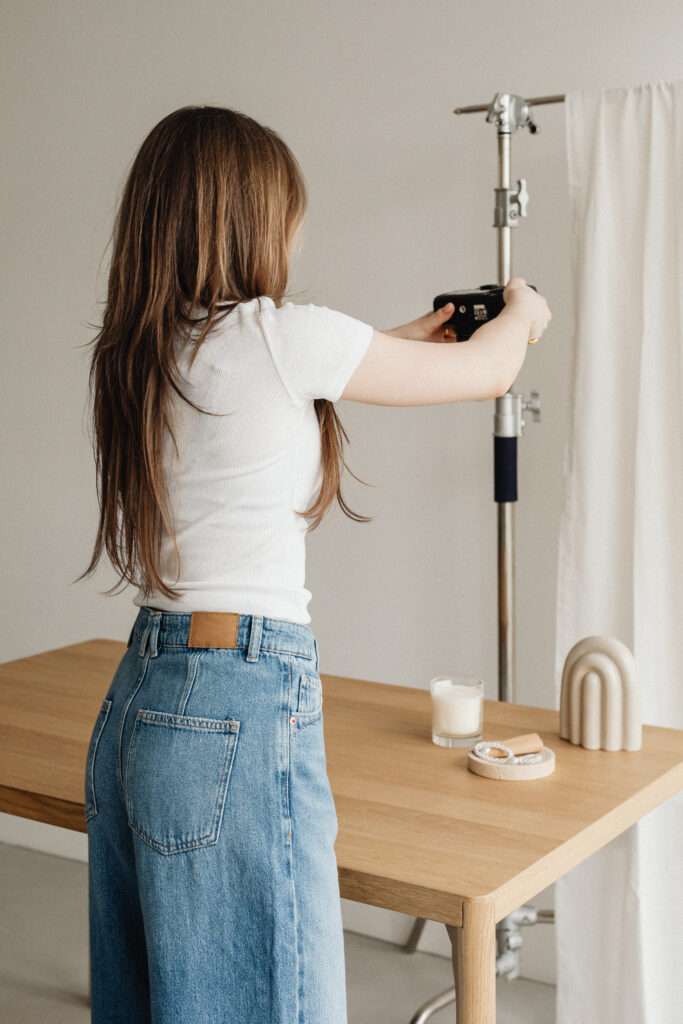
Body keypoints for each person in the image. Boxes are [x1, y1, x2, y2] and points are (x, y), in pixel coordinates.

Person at [78, 104, 551, 1024]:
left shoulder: (148, 351)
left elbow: (310, 373)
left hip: (144, 693)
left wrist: (408, 333)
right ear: (248, 218)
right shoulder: (274, 336)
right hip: (234, 699)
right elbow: (488, 373)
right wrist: (523, 313)